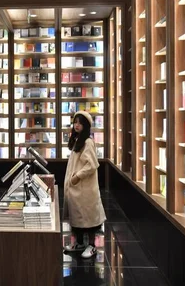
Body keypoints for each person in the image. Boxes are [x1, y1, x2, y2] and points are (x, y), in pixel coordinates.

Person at [62, 110, 106, 259]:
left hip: (85, 187)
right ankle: (79, 243)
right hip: (76, 187)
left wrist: (77, 177)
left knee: (89, 217)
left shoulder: (88, 142)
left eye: (80, 123)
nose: (77, 125)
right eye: (75, 122)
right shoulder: (77, 140)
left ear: (85, 125)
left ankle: (92, 245)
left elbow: (92, 164)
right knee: (78, 216)